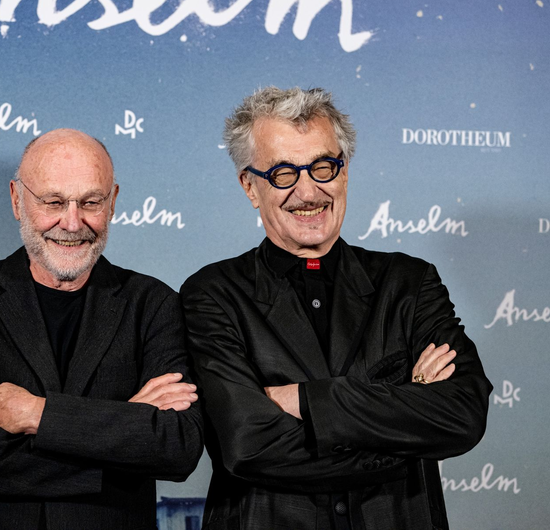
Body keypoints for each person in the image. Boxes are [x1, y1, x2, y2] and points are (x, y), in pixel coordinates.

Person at [181, 87, 491, 530]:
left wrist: (304, 399)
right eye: (284, 173)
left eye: (323, 167)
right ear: (250, 186)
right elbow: (248, 444)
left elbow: (463, 413)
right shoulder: (211, 294)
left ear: (344, 173)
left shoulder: (410, 282)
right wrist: (406, 419)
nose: (309, 192)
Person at [0, 128, 203, 530]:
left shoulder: (153, 304)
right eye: (53, 202)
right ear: (18, 200)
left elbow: (177, 446)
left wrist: (35, 413)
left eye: (91, 202)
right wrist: (123, 434)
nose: (72, 223)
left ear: (114, 202)